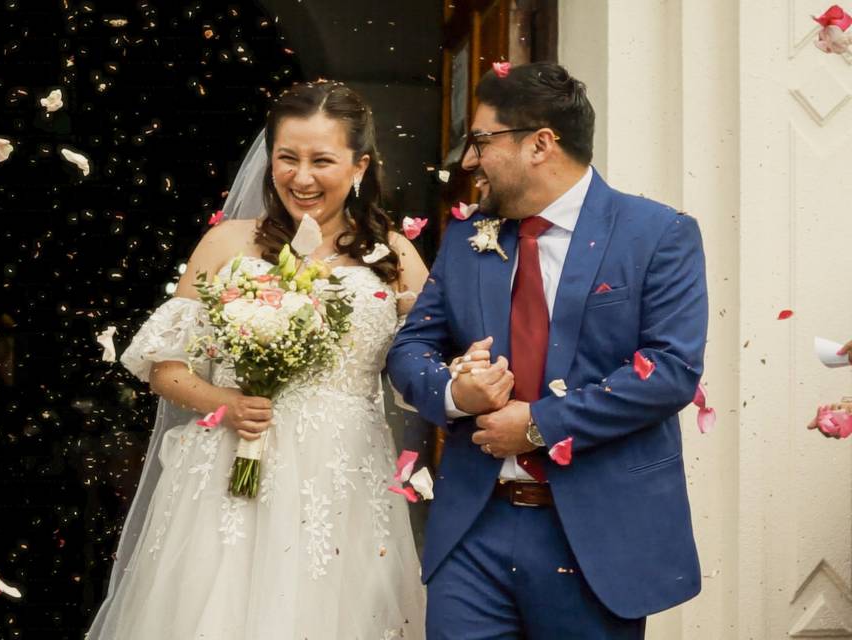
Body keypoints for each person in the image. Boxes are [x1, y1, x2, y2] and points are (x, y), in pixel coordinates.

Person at [88, 81, 428, 639]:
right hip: (230, 475)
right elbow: (163, 366)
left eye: (322, 160)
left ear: (359, 165)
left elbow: (430, 363)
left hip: (342, 481)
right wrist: (227, 401)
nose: (302, 177)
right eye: (287, 159)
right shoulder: (228, 244)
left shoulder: (393, 256)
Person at [388, 62, 708, 638]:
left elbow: (670, 371)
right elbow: (411, 348)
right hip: (473, 533)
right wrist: (454, 392)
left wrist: (538, 424)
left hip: (595, 537)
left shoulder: (658, 234)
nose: (468, 160)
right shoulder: (469, 238)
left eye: (481, 141)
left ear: (540, 144)